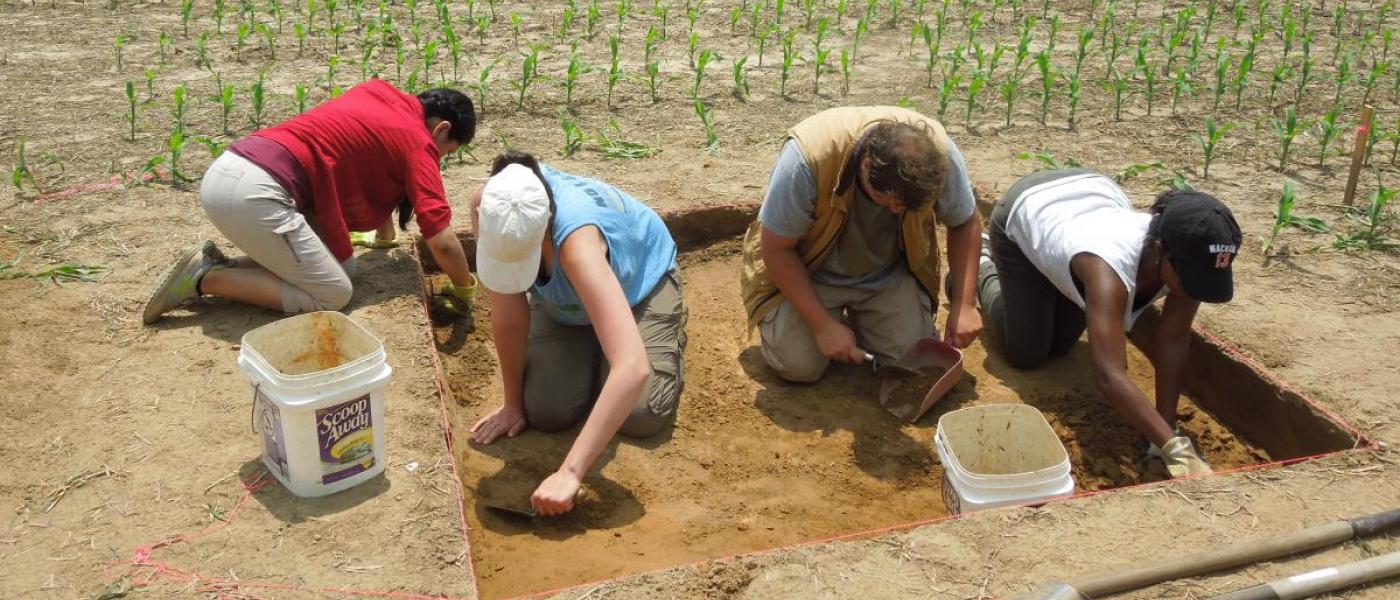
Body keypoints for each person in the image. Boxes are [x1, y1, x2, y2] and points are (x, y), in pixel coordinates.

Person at [141, 79, 478, 323]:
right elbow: (442, 240)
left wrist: (384, 236)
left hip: (234, 168)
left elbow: (369, 165)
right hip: (258, 194)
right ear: (442, 128)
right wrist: (464, 288)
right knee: (333, 294)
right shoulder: (418, 143)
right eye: (446, 152)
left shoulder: (380, 93)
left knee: (342, 265)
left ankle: (220, 263)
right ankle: (204, 278)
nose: (439, 160)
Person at [977, 169, 1243, 478]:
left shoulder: (1187, 260)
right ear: (1160, 253)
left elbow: (1173, 339)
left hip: (1085, 206)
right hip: (1025, 209)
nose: (1194, 288)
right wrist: (1177, 450)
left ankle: (1049, 282)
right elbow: (1108, 375)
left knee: (1061, 345)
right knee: (1028, 351)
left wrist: (1165, 429)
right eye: (1191, 279)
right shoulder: (1109, 269)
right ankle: (984, 267)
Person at [468, 151, 684, 516]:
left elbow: (632, 367)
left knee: (640, 412)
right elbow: (508, 314)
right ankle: (598, 336)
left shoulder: (578, 242)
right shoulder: (492, 207)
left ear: (547, 229)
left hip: (638, 287)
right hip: (567, 303)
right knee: (546, 411)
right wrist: (512, 404)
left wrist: (570, 472)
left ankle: (636, 331)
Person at [740, 106, 984, 385]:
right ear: (866, 165)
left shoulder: (939, 154)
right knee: (799, 366)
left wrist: (964, 304)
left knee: (912, 362)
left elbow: (965, 222)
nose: (895, 211)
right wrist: (822, 326)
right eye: (887, 199)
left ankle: (864, 323)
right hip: (812, 273)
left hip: (887, 274)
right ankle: (828, 322)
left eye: (905, 206)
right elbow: (776, 248)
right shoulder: (808, 158)